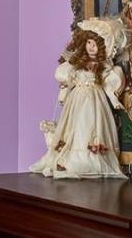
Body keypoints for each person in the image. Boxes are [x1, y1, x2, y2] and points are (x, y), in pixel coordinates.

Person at [30, 26, 126, 179]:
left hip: (95, 98)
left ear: (101, 47)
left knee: (92, 124)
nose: (91, 47)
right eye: (89, 43)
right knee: (76, 125)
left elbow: (107, 85)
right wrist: (63, 96)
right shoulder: (78, 63)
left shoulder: (102, 65)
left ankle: (91, 159)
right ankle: (72, 157)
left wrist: (114, 101)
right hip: (77, 98)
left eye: (95, 44)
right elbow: (68, 81)